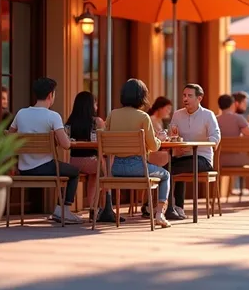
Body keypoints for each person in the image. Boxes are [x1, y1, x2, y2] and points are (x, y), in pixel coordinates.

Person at [9, 77, 82, 224]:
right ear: (50, 95)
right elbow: (66, 145)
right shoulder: (53, 116)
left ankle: (60, 210)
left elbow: (10, 138)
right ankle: (63, 210)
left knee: (66, 170)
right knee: (74, 171)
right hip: (45, 167)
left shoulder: (21, 113)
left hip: (24, 169)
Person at [105, 78, 171, 228]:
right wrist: (159, 139)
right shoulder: (143, 117)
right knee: (166, 175)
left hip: (115, 168)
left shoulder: (112, 114)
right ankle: (160, 214)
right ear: (142, 96)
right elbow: (153, 147)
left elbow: (104, 136)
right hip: (138, 168)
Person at [168, 84, 220, 220]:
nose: (185, 98)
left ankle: (167, 206)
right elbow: (171, 136)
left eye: (190, 96)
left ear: (199, 98)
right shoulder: (177, 114)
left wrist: (194, 146)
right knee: (167, 167)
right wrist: (175, 144)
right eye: (184, 95)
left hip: (202, 158)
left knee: (168, 169)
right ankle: (175, 207)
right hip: (182, 156)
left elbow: (215, 137)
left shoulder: (208, 115)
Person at [217, 94, 249, 203]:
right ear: (232, 105)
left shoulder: (215, 119)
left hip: (219, 161)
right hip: (237, 160)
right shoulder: (238, 118)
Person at [66, 91, 105, 221]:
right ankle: (98, 208)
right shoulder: (97, 122)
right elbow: (105, 143)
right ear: (90, 105)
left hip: (73, 162)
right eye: (95, 103)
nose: (97, 106)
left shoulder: (70, 122)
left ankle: (94, 208)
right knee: (105, 170)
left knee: (95, 174)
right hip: (91, 161)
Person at [140, 96, 173, 219]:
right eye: (167, 109)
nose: (169, 112)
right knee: (170, 159)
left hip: (153, 153)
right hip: (151, 155)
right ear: (159, 108)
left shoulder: (159, 121)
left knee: (171, 157)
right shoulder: (151, 120)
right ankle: (156, 206)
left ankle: (154, 204)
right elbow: (153, 143)